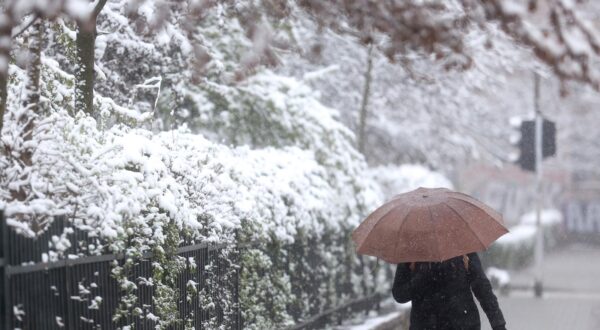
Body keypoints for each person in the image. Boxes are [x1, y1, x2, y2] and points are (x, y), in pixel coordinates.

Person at [392, 252, 506, 330]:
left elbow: (482, 287)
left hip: (463, 324)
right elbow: (399, 294)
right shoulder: (413, 253)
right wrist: (422, 276)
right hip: (425, 325)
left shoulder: (461, 247)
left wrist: (498, 324)